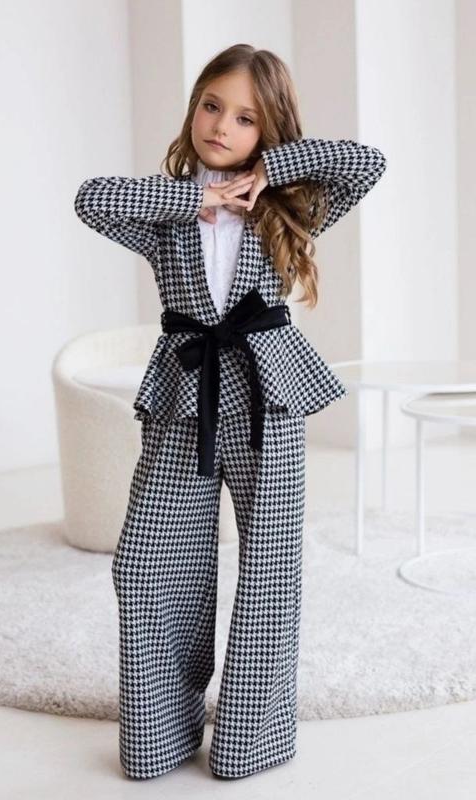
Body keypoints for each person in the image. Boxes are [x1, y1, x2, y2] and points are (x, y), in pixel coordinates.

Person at [74, 43, 387, 781]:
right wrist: (200, 199)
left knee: (269, 571)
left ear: (267, 130)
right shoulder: (165, 210)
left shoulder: (293, 206)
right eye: (212, 106)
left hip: (269, 393)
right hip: (187, 388)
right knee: (145, 565)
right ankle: (161, 732)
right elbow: (91, 199)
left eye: (246, 118)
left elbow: (366, 163)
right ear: (193, 108)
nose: (222, 125)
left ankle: (252, 739)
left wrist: (270, 170)